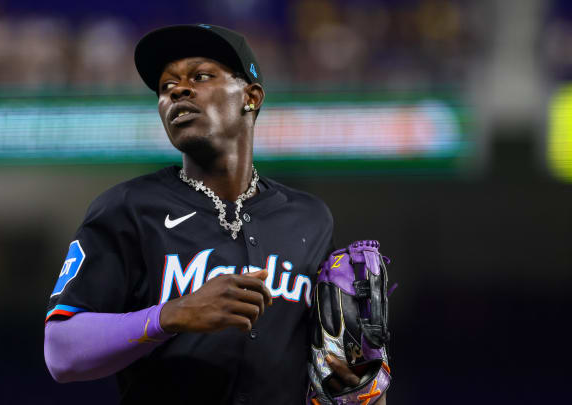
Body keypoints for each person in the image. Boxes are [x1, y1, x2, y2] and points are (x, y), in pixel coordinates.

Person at [43, 24, 385, 404]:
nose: (177, 90)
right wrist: (170, 315)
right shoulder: (128, 208)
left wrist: (360, 385)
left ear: (251, 97)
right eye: (165, 86)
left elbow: (336, 370)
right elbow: (61, 352)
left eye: (200, 76)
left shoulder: (310, 219)